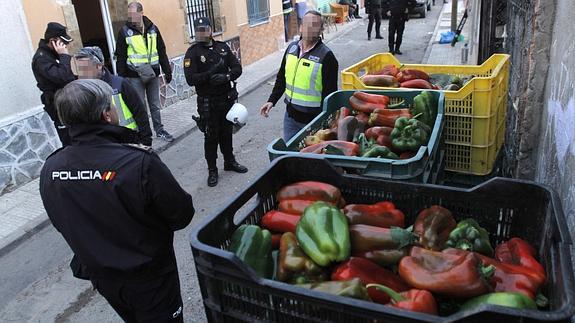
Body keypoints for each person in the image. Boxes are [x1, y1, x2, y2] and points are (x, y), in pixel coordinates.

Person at [39, 79, 194, 322]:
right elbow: (182, 214)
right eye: (112, 105)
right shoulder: (139, 163)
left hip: (104, 279)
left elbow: (61, 220)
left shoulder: (52, 167)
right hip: (150, 279)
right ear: (106, 115)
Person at [183, 17, 248, 187]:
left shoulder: (223, 48)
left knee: (227, 133)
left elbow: (237, 68)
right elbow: (191, 79)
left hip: (226, 99)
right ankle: (212, 170)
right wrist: (210, 75)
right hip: (207, 102)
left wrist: (226, 76)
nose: (201, 33)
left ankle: (230, 162)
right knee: (211, 136)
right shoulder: (193, 53)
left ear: (210, 30)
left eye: (204, 29)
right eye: (198, 30)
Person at [260, 10, 339, 142]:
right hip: (290, 118)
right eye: (307, 24)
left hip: (313, 121)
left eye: (315, 25)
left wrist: (327, 123)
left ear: (321, 30)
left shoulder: (326, 57)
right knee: (291, 157)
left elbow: (330, 95)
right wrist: (271, 101)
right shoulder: (291, 49)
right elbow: (282, 78)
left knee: (309, 159)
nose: (310, 28)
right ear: (301, 27)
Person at [115, 1, 174, 142]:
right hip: (134, 77)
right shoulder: (124, 31)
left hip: (152, 74)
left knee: (155, 105)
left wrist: (167, 71)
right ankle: (143, 134)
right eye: (129, 15)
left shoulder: (153, 29)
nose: (131, 17)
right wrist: (121, 79)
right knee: (140, 107)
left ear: (141, 12)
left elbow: (161, 50)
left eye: (134, 14)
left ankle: (159, 130)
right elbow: (121, 56)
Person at [75, 46, 153, 146]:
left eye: (84, 69)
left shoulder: (120, 84)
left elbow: (139, 111)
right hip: (104, 147)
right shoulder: (81, 92)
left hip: (129, 142)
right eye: (79, 69)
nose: (81, 74)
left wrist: (146, 140)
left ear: (98, 66)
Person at [31, 22, 77, 146]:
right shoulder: (41, 59)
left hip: (66, 100)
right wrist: (64, 56)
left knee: (77, 135)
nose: (66, 46)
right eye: (63, 42)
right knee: (69, 140)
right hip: (56, 104)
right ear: (53, 41)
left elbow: (68, 77)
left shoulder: (51, 55)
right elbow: (64, 77)